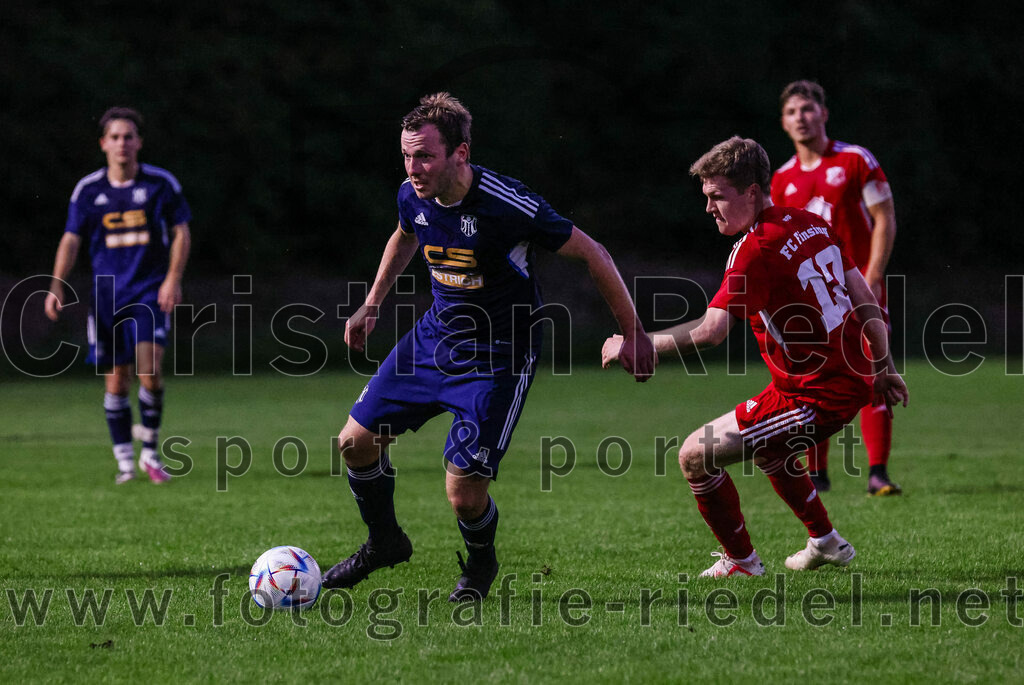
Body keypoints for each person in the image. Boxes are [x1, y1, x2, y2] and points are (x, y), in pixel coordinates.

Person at [323, 92, 656, 601]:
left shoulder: (507, 204)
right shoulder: (412, 194)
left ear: (460, 153)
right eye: (407, 156)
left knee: (463, 493)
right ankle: (385, 541)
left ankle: (481, 564)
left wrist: (634, 334)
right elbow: (405, 234)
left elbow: (594, 253)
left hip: (499, 354)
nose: (413, 168)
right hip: (434, 339)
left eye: (425, 156)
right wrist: (372, 303)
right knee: (354, 443)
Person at [603, 136, 907, 577]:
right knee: (770, 451)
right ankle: (825, 541)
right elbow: (864, 298)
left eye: (716, 196)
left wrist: (636, 342)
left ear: (750, 192)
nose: (708, 208)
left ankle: (742, 562)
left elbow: (710, 332)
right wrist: (884, 367)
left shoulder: (756, 250)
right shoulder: (809, 222)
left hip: (817, 394)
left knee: (693, 456)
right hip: (827, 380)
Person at [45, 107, 192, 484]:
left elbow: (181, 231)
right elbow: (71, 239)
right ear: (103, 144)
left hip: (148, 292)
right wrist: (57, 283)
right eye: (115, 137)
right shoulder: (89, 190)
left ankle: (150, 453)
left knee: (150, 370)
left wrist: (172, 279)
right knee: (116, 381)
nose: (122, 143)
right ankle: (125, 462)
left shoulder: (160, 184)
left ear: (139, 143)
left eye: (128, 136)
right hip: (108, 298)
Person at [770, 80, 900, 495]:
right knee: (815, 377)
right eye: (792, 112)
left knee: (874, 367)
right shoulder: (781, 179)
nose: (801, 118)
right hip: (813, 297)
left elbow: (884, 217)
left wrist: (872, 276)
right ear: (783, 123)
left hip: (859, 286)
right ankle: (817, 473)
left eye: (808, 109)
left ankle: (877, 473)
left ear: (824, 114)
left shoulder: (855, 160)